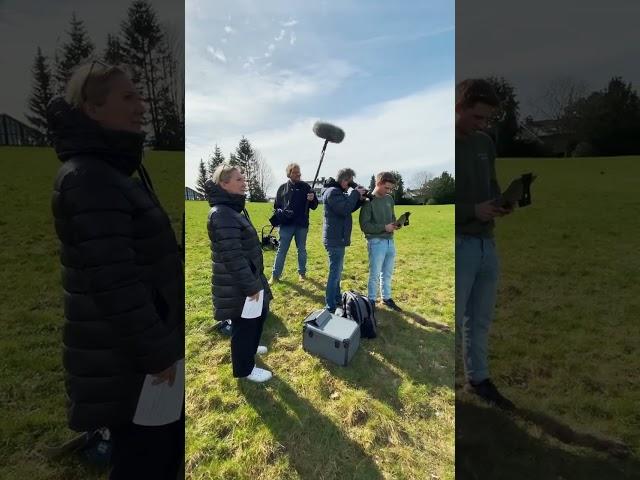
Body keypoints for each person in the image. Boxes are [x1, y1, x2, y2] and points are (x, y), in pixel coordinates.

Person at [48, 61, 184, 479]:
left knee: (158, 452)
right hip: (132, 360)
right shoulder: (89, 178)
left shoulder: (112, 170)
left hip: (146, 347)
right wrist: (157, 352)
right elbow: (115, 280)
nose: (141, 105)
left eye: (140, 95)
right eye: (128, 97)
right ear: (92, 108)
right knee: (146, 460)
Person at [455, 78, 515, 410]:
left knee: (480, 320)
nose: (483, 125)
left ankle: (478, 379)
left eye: (487, 119)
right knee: (453, 319)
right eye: (477, 117)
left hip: (486, 245)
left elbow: (491, 185)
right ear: (457, 108)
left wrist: (501, 202)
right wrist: (470, 211)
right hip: (458, 246)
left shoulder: (485, 143)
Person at [206, 164, 274, 383]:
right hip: (239, 284)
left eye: (244, 178)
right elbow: (233, 256)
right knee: (243, 326)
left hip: (251, 277)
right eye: (239, 179)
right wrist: (251, 287)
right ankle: (245, 369)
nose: (244, 182)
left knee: (257, 317)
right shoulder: (222, 214)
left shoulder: (233, 209)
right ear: (223, 183)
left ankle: (251, 349)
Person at [321, 168, 366, 313]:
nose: (351, 184)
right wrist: (355, 193)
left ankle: (336, 298)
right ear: (344, 180)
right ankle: (330, 305)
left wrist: (360, 200)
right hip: (334, 240)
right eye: (350, 181)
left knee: (337, 271)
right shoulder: (332, 192)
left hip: (337, 238)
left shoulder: (337, 192)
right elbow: (344, 209)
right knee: (334, 273)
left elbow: (348, 207)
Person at [358, 171, 403, 311]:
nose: (389, 191)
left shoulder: (389, 199)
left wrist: (396, 224)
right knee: (375, 274)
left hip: (390, 241)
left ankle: (387, 298)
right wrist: (384, 227)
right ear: (378, 184)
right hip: (376, 242)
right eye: (387, 188)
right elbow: (364, 226)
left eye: (391, 189)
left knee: (388, 273)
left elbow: (392, 217)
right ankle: (371, 302)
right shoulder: (368, 201)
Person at [269, 163, 318, 284]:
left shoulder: (306, 187)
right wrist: (281, 213)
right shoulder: (282, 188)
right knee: (281, 250)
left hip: (302, 224)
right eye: (295, 172)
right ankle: (275, 276)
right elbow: (276, 207)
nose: (298, 174)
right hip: (286, 225)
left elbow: (315, 206)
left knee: (301, 249)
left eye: (299, 172)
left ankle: (302, 273)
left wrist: (312, 199)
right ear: (289, 174)